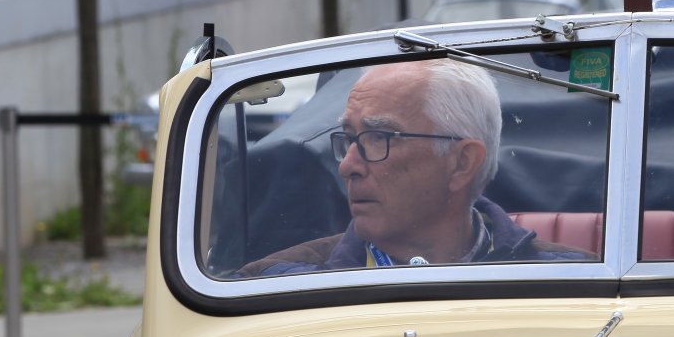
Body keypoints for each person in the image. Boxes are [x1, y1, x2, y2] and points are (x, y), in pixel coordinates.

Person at [240, 60, 588, 274]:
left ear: (462, 163)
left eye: (379, 137)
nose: (348, 166)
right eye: (348, 137)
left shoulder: (579, 286)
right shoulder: (272, 286)